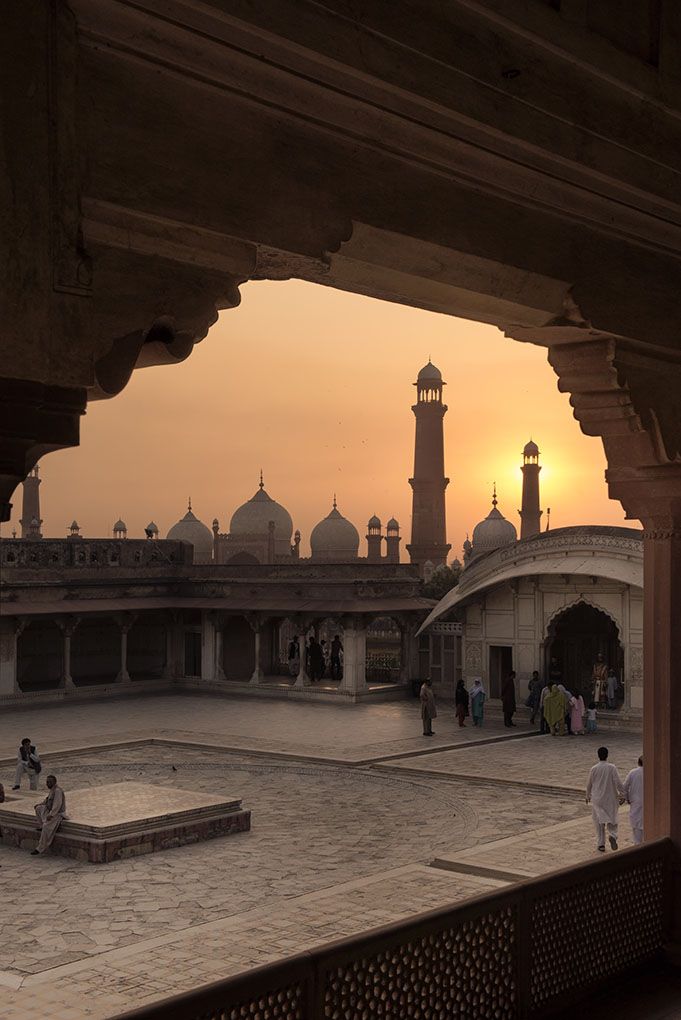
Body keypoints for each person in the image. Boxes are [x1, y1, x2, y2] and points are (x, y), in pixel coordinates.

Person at [586, 746, 625, 852]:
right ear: (607, 755)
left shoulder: (594, 769)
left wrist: (587, 795)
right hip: (610, 797)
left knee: (599, 822)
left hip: (597, 798)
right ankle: (613, 835)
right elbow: (618, 782)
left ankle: (601, 844)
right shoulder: (612, 767)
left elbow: (589, 784)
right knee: (612, 819)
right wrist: (623, 794)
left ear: (598, 756)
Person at [31, 774, 67, 855]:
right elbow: (47, 801)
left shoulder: (57, 791)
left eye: (49, 782)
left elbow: (57, 805)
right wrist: (39, 804)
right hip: (50, 810)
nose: (47, 784)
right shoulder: (52, 790)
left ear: (54, 782)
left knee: (46, 827)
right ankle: (41, 825)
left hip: (57, 814)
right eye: (47, 782)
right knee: (38, 808)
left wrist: (51, 814)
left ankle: (40, 848)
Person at [624, 756, 644, 845]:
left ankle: (638, 846)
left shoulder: (633, 772)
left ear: (638, 763)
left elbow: (625, 787)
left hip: (635, 802)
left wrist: (626, 798)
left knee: (636, 828)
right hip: (649, 802)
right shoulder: (652, 772)